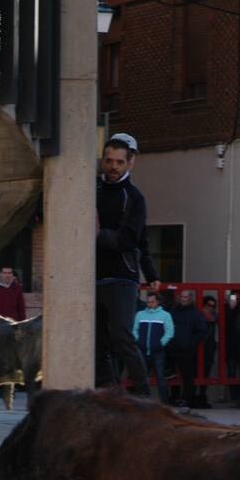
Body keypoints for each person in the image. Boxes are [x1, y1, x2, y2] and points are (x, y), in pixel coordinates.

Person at [95, 134, 155, 396]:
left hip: (122, 277)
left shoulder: (134, 197)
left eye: (119, 162)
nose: (113, 166)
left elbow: (132, 239)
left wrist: (98, 234)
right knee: (96, 343)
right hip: (93, 276)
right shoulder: (91, 189)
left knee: (121, 336)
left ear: (130, 162)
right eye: (108, 160)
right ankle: (110, 395)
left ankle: (142, 394)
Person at [166, 289, 207, 409]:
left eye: (186, 297)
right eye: (182, 297)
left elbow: (201, 332)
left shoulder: (195, 314)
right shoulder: (173, 312)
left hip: (187, 350)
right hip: (172, 349)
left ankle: (186, 399)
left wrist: (190, 343)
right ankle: (174, 398)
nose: (183, 299)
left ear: (190, 299)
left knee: (187, 376)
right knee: (171, 376)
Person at [132, 292, 174, 402]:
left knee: (160, 378)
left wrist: (160, 343)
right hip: (142, 350)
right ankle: (143, 401)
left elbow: (170, 332)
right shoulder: (140, 314)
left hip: (157, 351)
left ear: (158, 302)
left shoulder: (165, 315)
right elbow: (134, 330)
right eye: (148, 302)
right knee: (142, 377)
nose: (149, 304)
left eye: (152, 302)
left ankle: (165, 402)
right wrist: (138, 341)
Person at [221, 291, 240, 403]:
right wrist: (230, 308)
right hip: (230, 346)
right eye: (233, 298)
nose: (235, 301)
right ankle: (235, 398)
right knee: (232, 371)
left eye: (237, 299)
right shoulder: (226, 310)